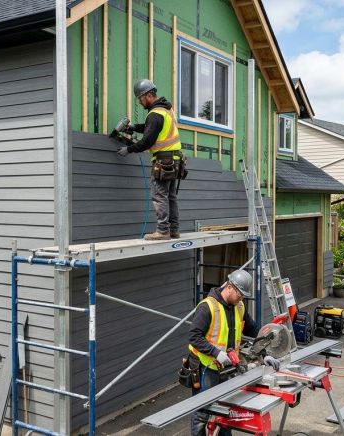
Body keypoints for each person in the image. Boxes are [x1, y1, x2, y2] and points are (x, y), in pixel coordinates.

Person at [187, 269, 260, 436]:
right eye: (240, 294)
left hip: (227, 367)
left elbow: (253, 329)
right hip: (206, 366)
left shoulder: (239, 306)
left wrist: (265, 348)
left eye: (244, 296)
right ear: (230, 287)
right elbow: (194, 336)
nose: (242, 299)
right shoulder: (208, 307)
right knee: (202, 412)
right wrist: (216, 353)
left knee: (226, 408)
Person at [116, 79, 184, 240]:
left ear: (148, 95)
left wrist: (129, 149)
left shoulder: (154, 114)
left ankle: (163, 231)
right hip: (175, 159)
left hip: (163, 161)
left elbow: (147, 141)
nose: (140, 102)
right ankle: (174, 230)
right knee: (170, 196)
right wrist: (134, 127)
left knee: (159, 195)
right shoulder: (166, 110)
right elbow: (152, 127)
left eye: (140, 98)